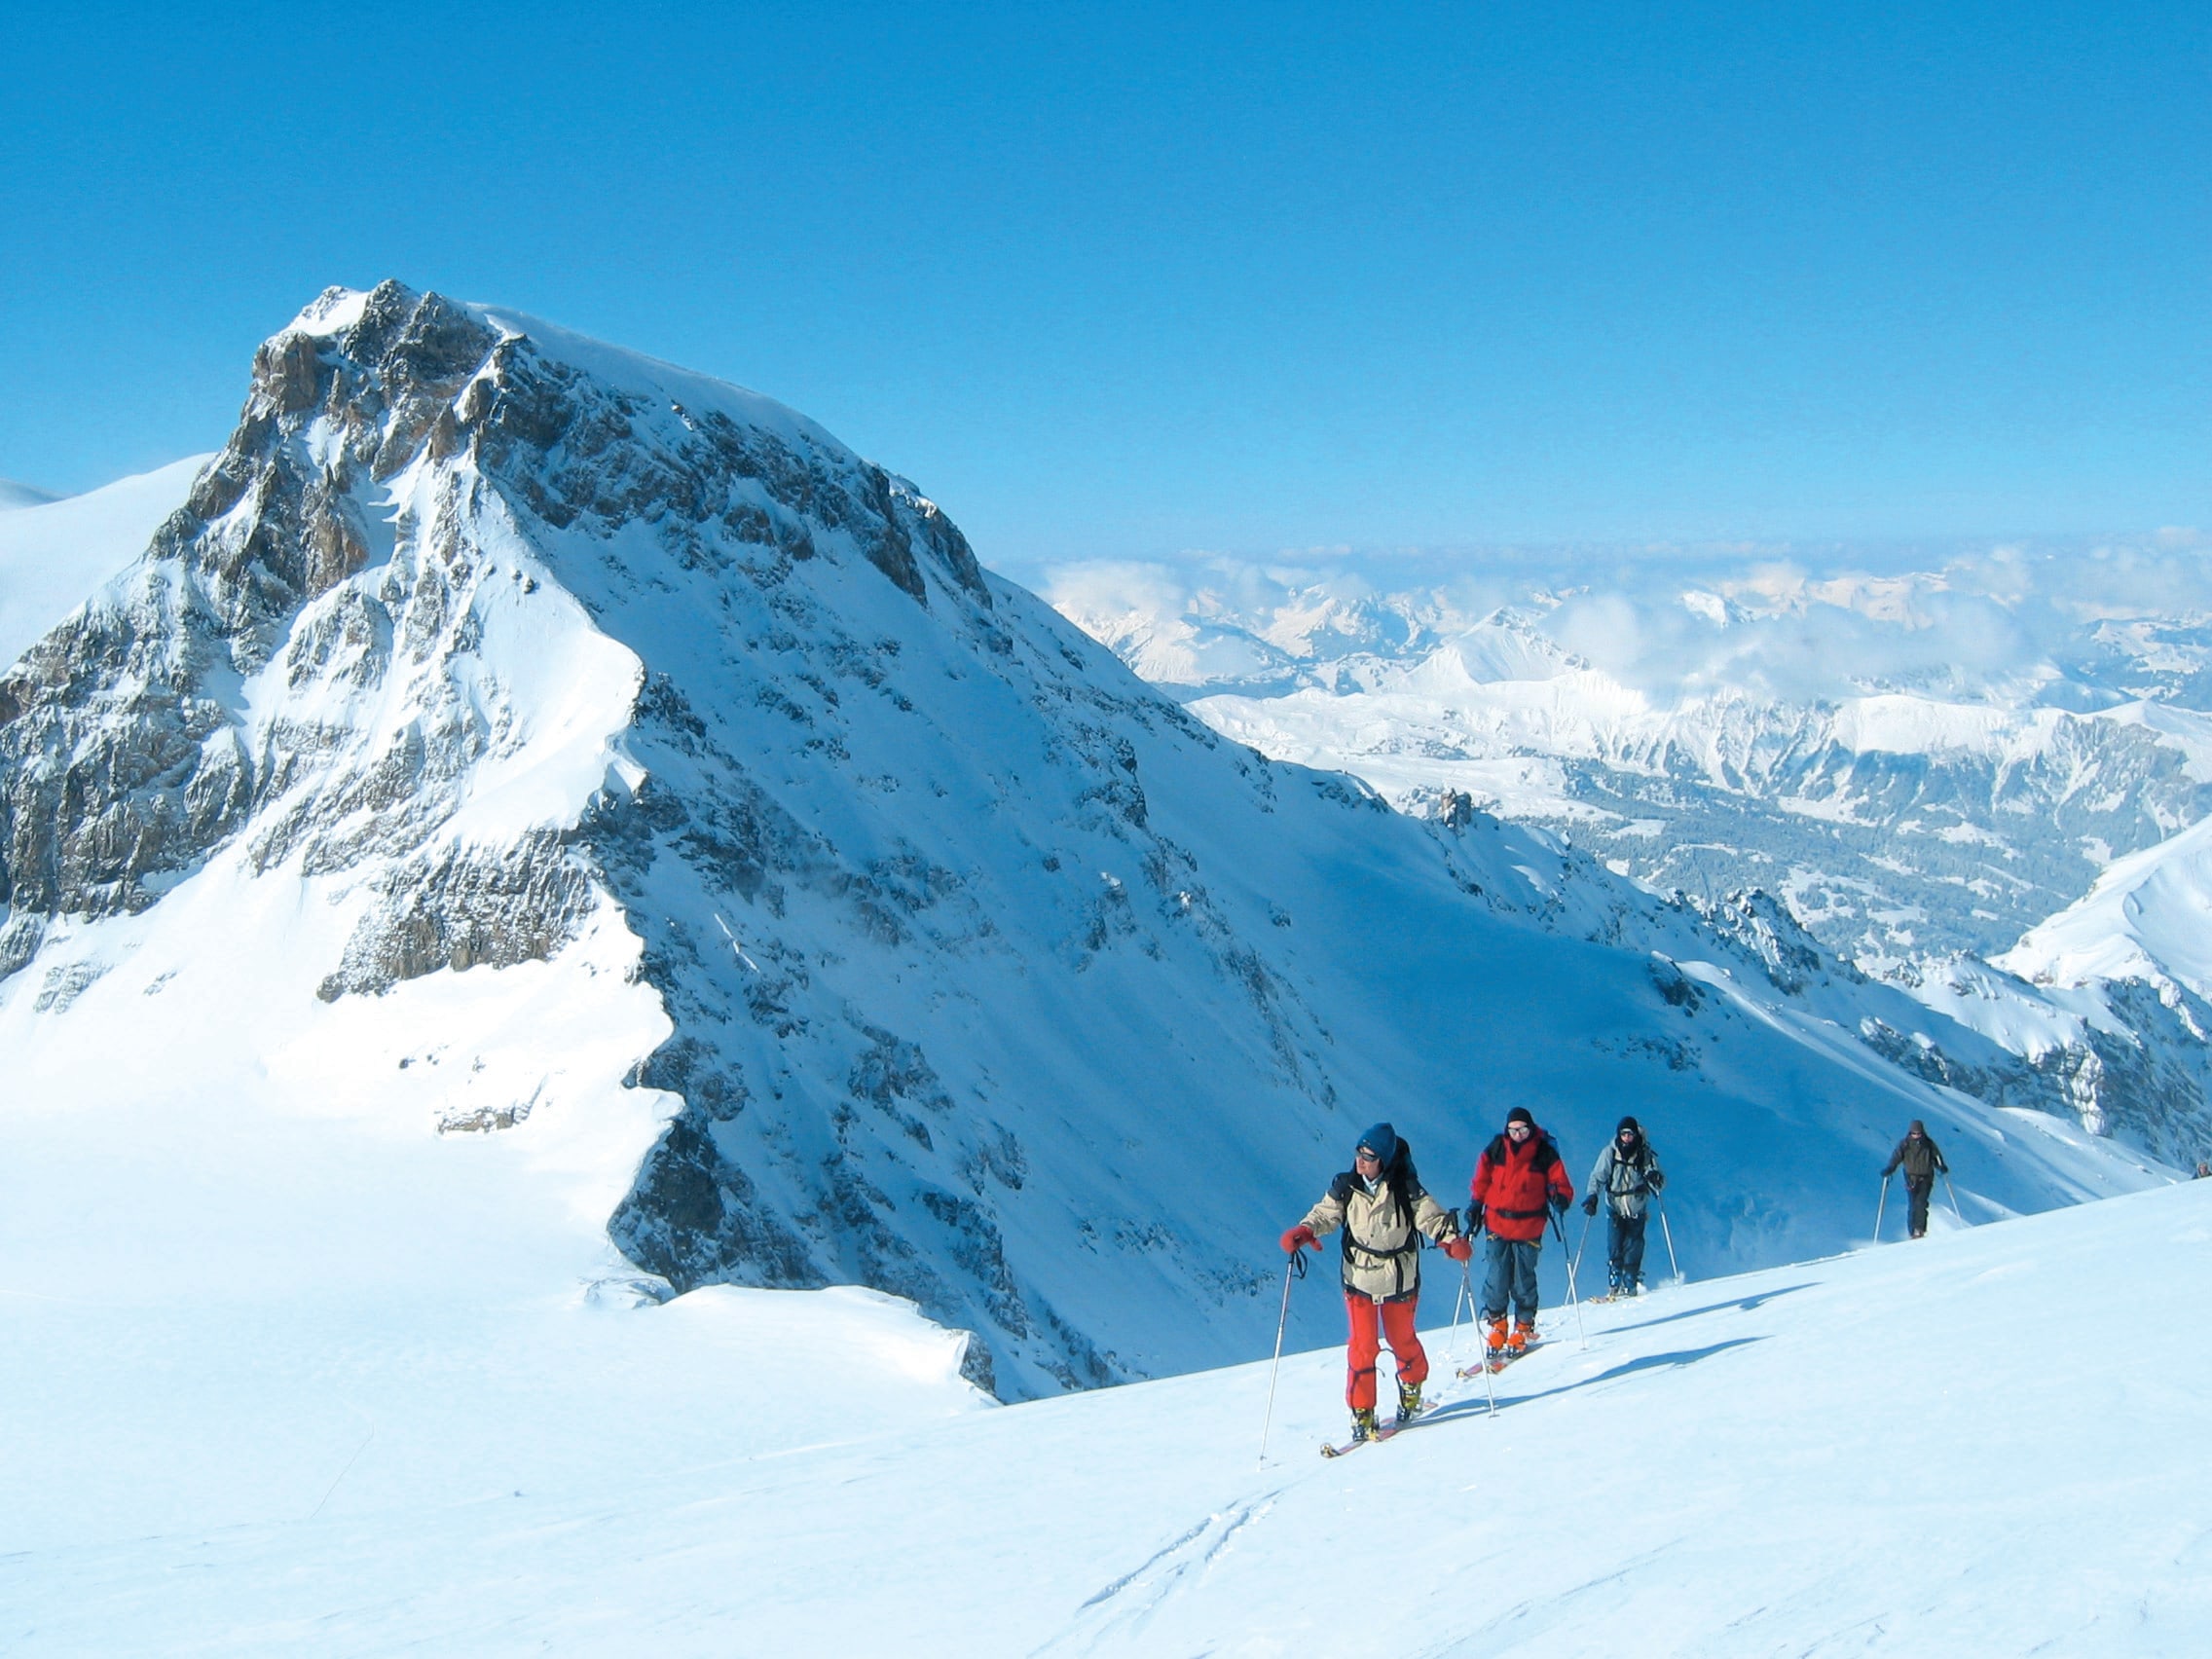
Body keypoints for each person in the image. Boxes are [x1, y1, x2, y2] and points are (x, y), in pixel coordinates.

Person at [1282, 1123, 1470, 1443]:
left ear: (1383, 1159)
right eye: (1359, 1153)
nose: (1361, 1161)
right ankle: (1362, 1412)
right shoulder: (1346, 1186)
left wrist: (1451, 1240)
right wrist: (1305, 1230)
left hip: (1398, 1280)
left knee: (1402, 1340)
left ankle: (1411, 1386)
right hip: (1359, 1278)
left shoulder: (1405, 1188)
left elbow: (1431, 1217)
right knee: (1362, 1347)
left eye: (1368, 1156)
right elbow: (1325, 1213)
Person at [1468, 1105, 1574, 1359]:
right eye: (1513, 1130)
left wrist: (1561, 1198)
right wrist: (1475, 1205)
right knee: (1497, 1275)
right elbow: (1482, 1179)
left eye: (1523, 1130)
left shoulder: (1544, 1152)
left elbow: (1561, 1182)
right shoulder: (1496, 1149)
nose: (1518, 1135)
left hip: (1529, 1225)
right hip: (1497, 1223)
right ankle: (1498, 1324)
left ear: (1531, 1128)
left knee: (1522, 1277)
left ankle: (1524, 1325)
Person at [1580, 1116, 1665, 1298]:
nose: (1627, 1138)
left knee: (1634, 1246)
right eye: (1624, 1134)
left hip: (1636, 1207)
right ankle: (1615, 1281)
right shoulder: (1610, 1153)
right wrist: (1592, 1196)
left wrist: (1654, 1177)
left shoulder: (1643, 1154)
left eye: (1630, 1134)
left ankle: (1630, 1281)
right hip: (1615, 1207)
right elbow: (1598, 1176)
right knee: (1615, 1246)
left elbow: (1656, 1178)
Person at [1881, 1120, 1949, 1238]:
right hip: (1911, 1178)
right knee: (1913, 1205)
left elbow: (1936, 1158)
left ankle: (1919, 1230)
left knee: (1921, 1203)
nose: (1916, 1136)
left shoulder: (1928, 1144)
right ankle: (1912, 1232)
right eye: (1914, 1133)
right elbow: (1896, 1158)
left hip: (1926, 1177)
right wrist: (1890, 1169)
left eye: (1918, 1133)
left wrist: (1941, 1166)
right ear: (1910, 1133)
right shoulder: (1905, 1144)